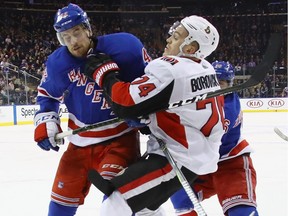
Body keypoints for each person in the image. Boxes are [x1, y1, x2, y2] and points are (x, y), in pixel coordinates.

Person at [83, 15, 225, 215]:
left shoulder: (171, 69)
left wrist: (104, 73)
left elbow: (125, 102)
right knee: (145, 210)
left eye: (175, 37)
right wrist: (150, 116)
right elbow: (178, 108)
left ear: (190, 49)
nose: (168, 40)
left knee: (115, 204)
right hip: (193, 154)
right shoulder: (205, 69)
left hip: (178, 158)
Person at [33, 3, 151, 216]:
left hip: (119, 139)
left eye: (76, 33)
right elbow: (47, 95)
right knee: (59, 206)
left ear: (87, 28)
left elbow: (151, 83)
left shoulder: (126, 47)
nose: (73, 42)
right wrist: (46, 122)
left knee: (116, 202)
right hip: (78, 145)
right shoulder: (58, 64)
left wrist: (145, 111)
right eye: (65, 37)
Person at [170, 61, 259, 216]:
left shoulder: (230, 106)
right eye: (212, 81)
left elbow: (200, 133)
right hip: (202, 164)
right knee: (177, 192)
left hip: (230, 162)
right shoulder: (198, 98)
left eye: (221, 83)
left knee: (241, 211)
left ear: (230, 84)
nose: (216, 87)